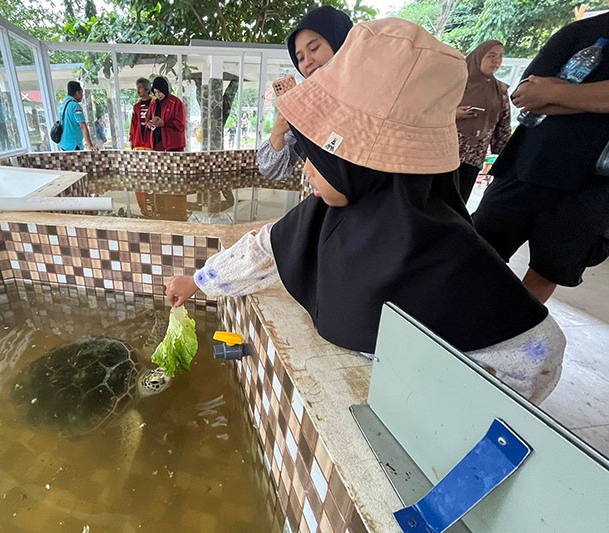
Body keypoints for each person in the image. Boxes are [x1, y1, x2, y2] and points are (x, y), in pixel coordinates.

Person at [166, 18, 565, 404]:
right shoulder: (325, 213)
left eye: (320, 153)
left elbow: (539, 351)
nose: (305, 167)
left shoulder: (449, 255)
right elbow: (264, 247)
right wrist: (199, 282)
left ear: (361, 163)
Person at [472, 13, 609, 304]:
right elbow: (525, 97)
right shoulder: (582, 32)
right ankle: (451, 327)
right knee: (476, 251)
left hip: (594, 185)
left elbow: (542, 99)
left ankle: (509, 333)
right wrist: (594, 101)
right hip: (526, 165)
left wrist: (556, 94)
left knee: (548, 271)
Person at [257, 6, 353, 180]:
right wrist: (280, 128)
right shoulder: (309, 107)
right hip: (319, 203)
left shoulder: (372, 97)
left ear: (342, 42)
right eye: (299, 58)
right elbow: (271, 170)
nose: (307, 62)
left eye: (314, 48)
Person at [455, 40, 512, 203]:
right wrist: (452, 114)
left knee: (456, 205)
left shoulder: (500, 90)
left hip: (473, 158)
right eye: (491, 56)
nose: (496, 61)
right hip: (442, 153)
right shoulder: (454, 83)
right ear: (477, 57)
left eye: (500, 57)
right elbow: (428, 111)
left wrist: (505, 155)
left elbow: (503, 125)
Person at [147, 77, 186, 152]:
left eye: (159, 92)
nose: (158, 95)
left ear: (164, 89)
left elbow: (181, 124)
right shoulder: (153, 104)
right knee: (160, 163)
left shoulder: (176, 103)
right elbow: (147, 118)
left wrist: (164, 123)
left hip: (174, 145)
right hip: (157, 143)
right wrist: (150, 124)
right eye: (155, 92)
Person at [57, 81, 97, 151]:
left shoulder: (63, 105)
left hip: (63, 144)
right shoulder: (75, 106)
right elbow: (83, 126)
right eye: (81, 93)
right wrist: (90, 146)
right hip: (73, 145)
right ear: (77, 92)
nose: (82, 96)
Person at [129, 77, 153, 149]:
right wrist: (132, 139)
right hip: (139, 140)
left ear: (147, 89)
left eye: (140, 88)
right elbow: (133, 123)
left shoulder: (155, 103)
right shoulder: (136, 106)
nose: (138, 91)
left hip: (151, 141)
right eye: (137, 88)